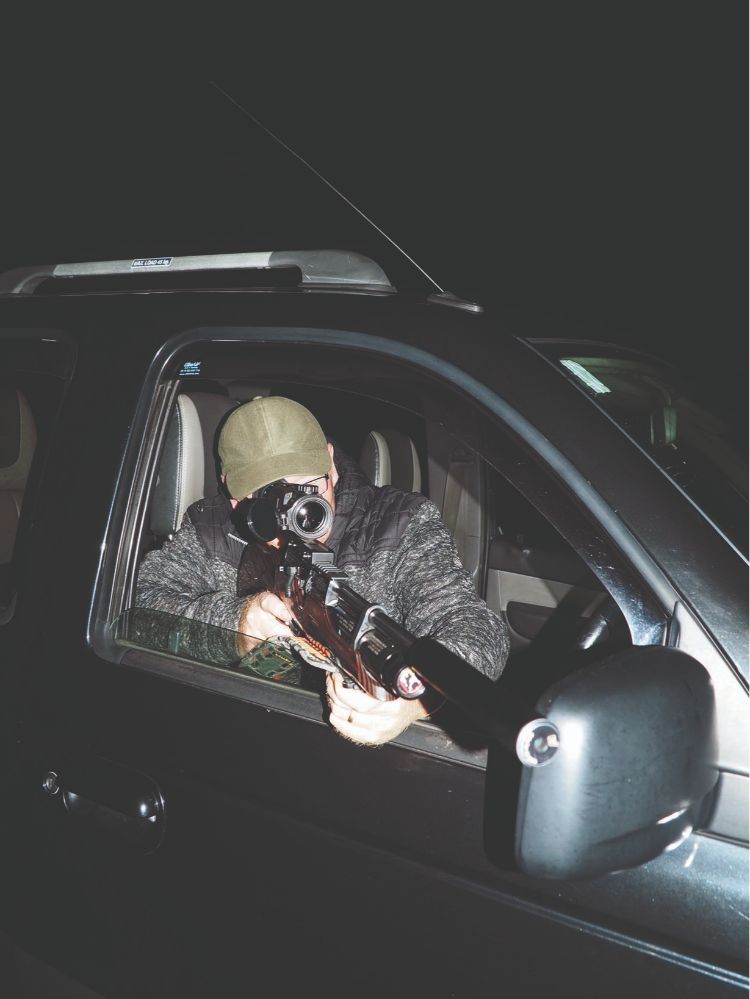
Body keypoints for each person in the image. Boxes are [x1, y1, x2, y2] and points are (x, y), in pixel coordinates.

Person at [136, 396, 509, 745]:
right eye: (267, 503)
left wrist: (414, 703)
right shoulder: (211, 526)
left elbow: (476, 628)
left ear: (331, 463)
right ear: (234, 497)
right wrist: (239, 625)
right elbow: (140, 607)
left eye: (309, 488)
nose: (296, 511)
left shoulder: (399, 522)